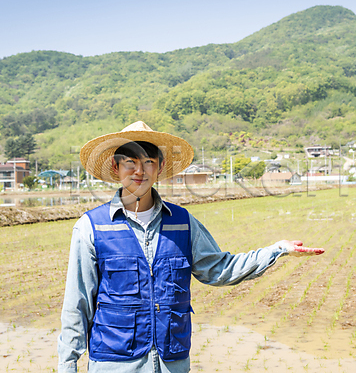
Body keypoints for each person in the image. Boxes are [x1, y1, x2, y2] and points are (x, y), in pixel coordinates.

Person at [57, 121, 324, 373]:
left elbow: (219, 269)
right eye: (130, 163)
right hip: (115, 364)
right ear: (116, 168)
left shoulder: (182, 223)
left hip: (171, 363)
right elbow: (77, 305)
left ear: (159, 168)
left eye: (148, 162)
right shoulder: (91, 227)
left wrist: (276, 249)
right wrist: (68, 365)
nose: (139, 171)